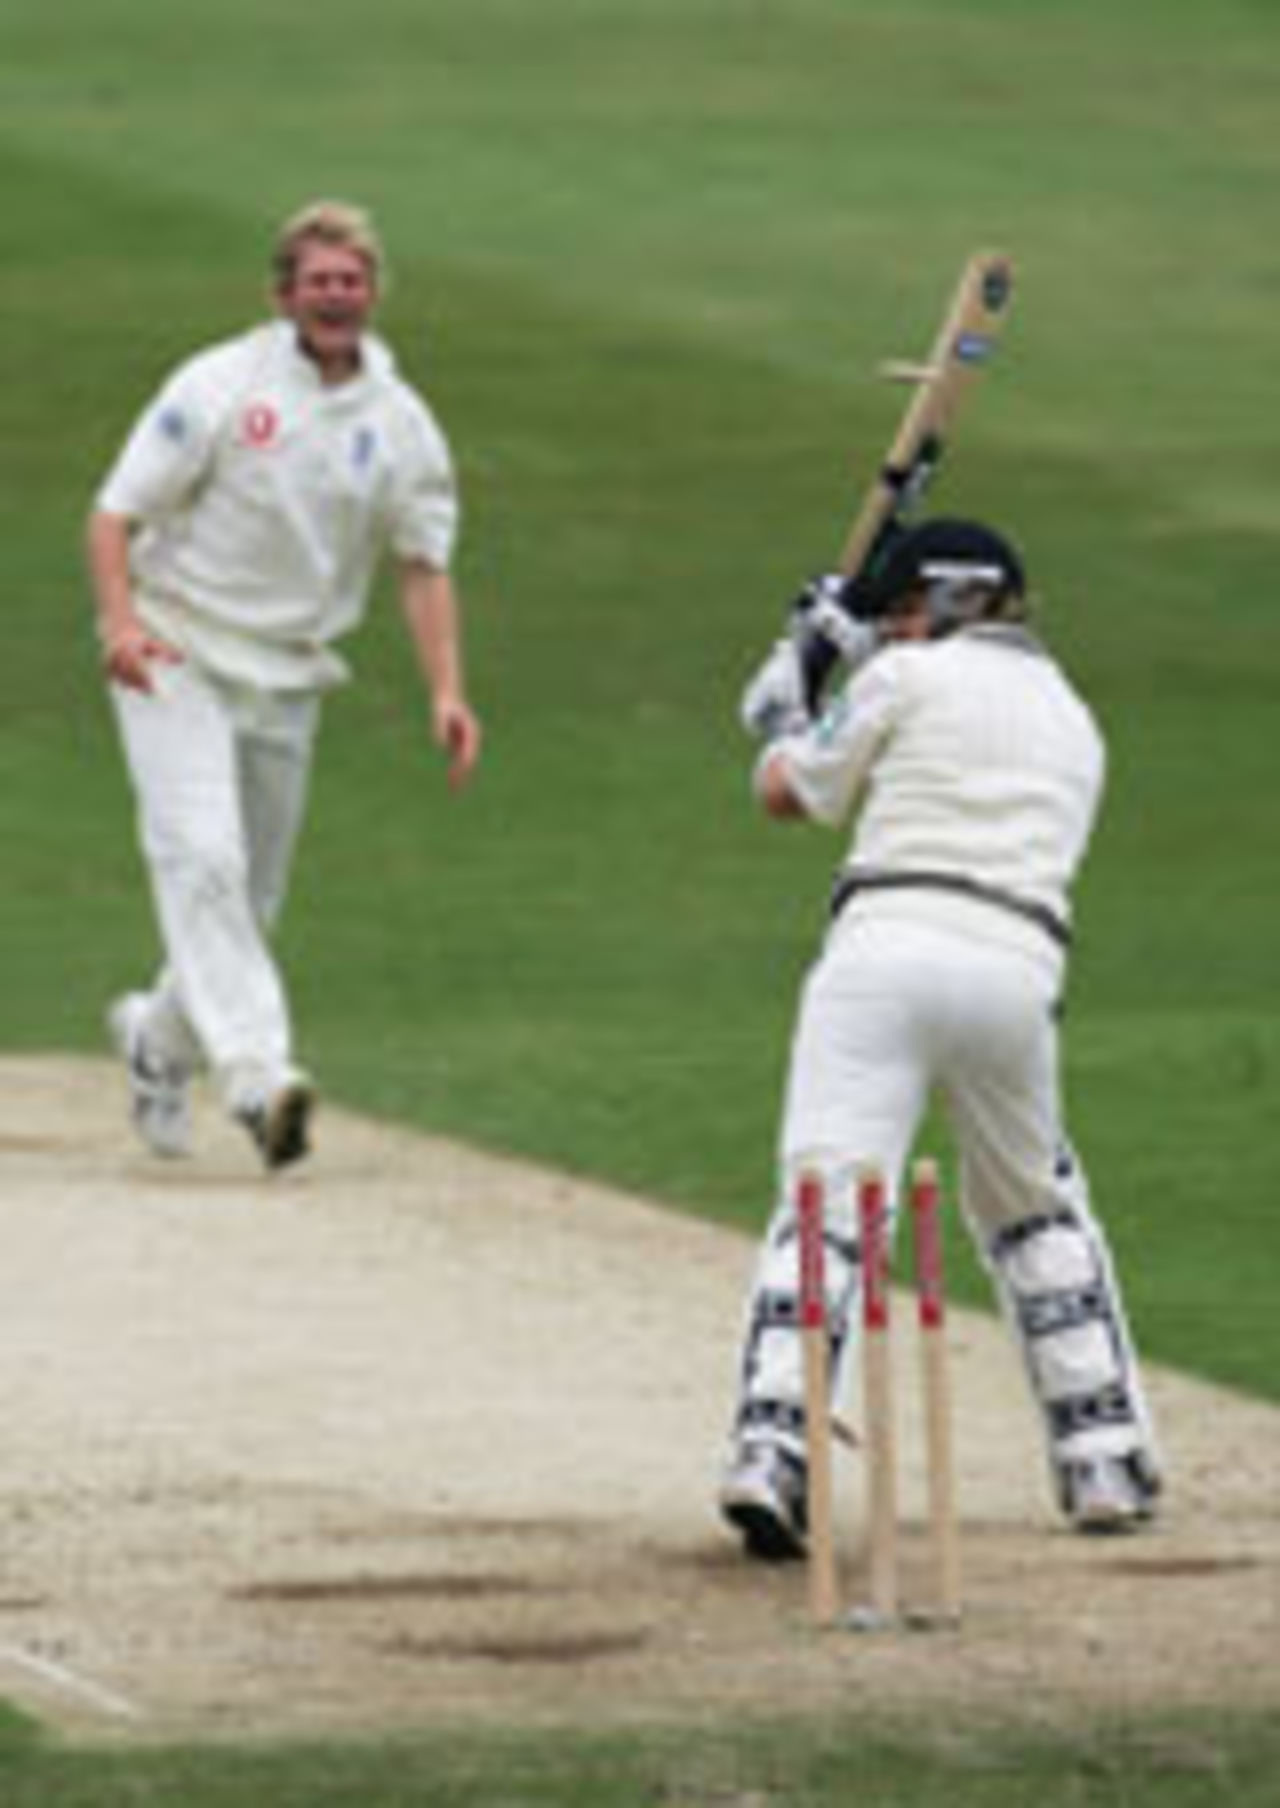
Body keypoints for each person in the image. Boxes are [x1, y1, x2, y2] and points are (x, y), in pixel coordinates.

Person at [719, 518, 1162, 1558]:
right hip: (1015, 975)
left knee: (830, 1199)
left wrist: (791, 696)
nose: (893, 629)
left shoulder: (904, 682)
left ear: (949, 603)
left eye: (902, 611)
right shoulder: (1075, 719)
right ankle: (1101, 1453)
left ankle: (772, 1449)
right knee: (1030, 1204)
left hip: (882, 956)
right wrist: (836, 670)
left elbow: (787, 791)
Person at [87, 199, 480, 1170]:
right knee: (203, 862)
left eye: (350, 281)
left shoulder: (399, 422)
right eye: (317, 282)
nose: (335, 297)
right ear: (283, 294)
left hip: (289, 669)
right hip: (174, 645)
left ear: (372, 293)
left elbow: (422, 563)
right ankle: (260, 1081)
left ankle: (157, 1040)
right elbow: (114, 512)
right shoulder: (220, 383)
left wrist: (446, 690)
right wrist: (123, 622)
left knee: (246, 899)